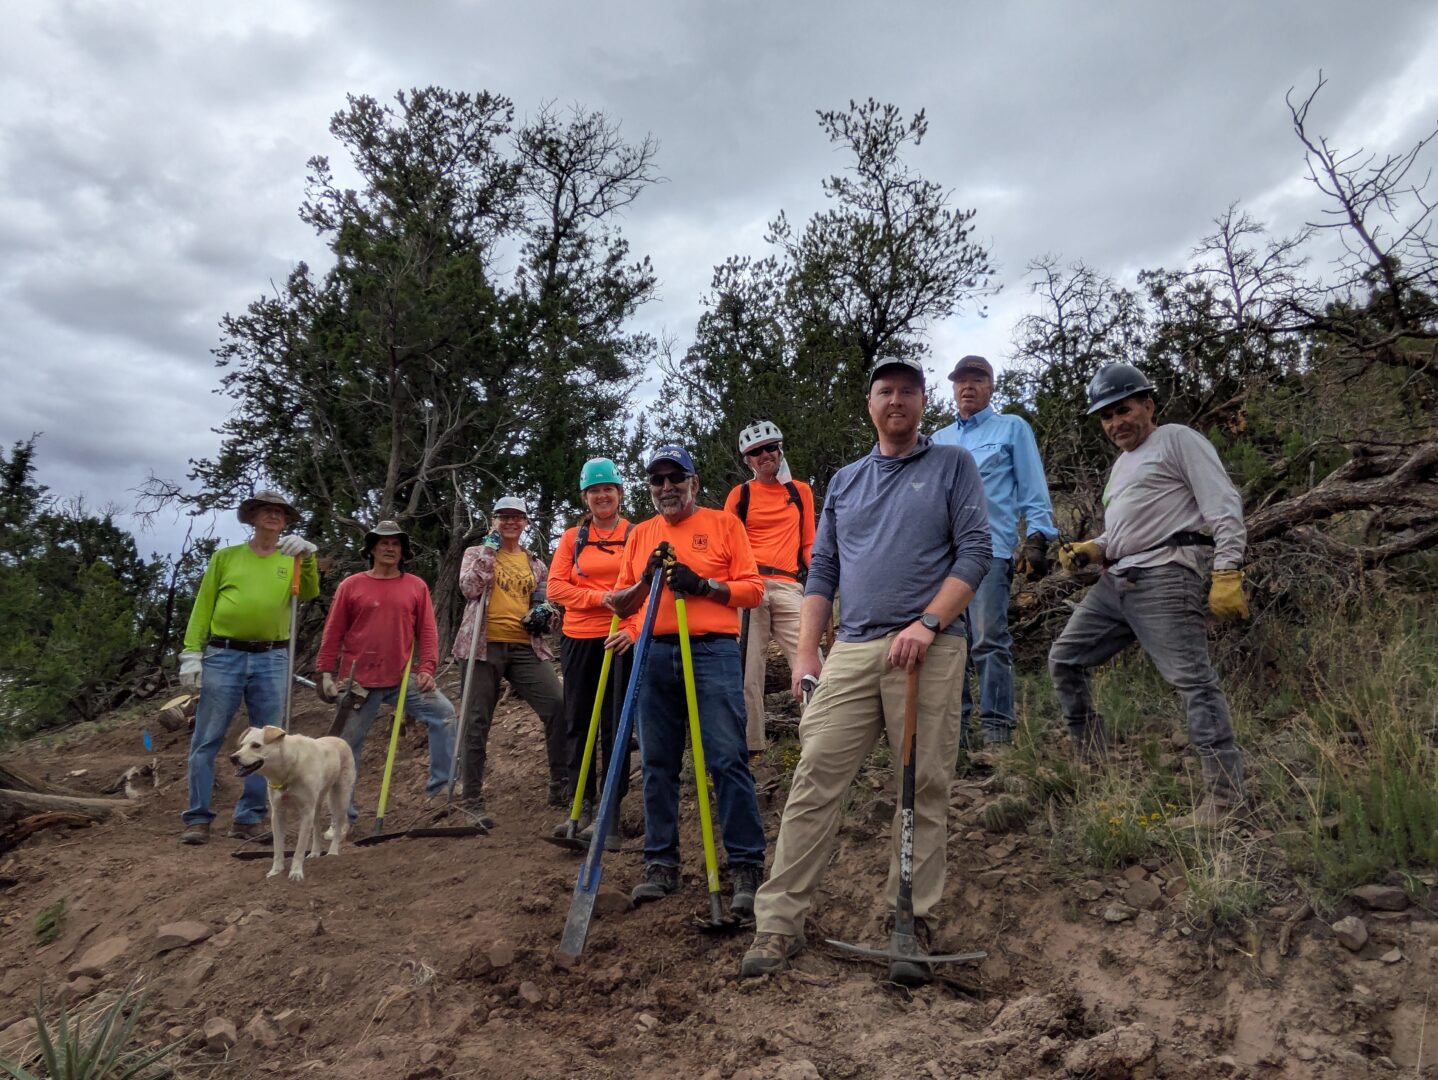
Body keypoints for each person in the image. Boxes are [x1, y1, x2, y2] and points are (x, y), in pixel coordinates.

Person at [741, 356, 992, 982]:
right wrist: (805, 652)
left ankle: (910, 919)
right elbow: (822, 570)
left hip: (930, 650)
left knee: (923, 785)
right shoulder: (847, 481)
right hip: (851, 650)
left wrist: (928, 622)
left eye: (909, 391)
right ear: (870, 403)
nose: (897, 400)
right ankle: (778, 923)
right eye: (886, 391)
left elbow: (977, 551)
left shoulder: (952, 466)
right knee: (815, 775)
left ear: (923, 403)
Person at [1049, 363, 1249, 829]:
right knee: (1065, 659)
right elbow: (1125, 532)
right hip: (1115, 582)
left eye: (1123, 410)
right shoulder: (1122, 465)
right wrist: (1094, 547)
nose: (1116, 422)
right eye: (1106, 416)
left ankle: (1224, 799)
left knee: (1193, 682)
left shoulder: (1178, 439)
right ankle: (1092, 760)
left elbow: (1223, 505)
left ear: (1148, 405)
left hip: (1165, 577)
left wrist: (1227, 569)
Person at [604, 445, 766, 913]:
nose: (667, 487)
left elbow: (753, 591)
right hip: (654, 654)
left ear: (694, 483)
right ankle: (660, 865)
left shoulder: (724, 525)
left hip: (712, 652)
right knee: (657, 764)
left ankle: (746, 867)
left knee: (727, 759)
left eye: (676, 478)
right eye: (657, 480)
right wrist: (645, 580)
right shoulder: (641, 535)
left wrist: (704, 586)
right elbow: (620, 603)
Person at [178, 490, 320, 845]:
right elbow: (204, 605)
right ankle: (197, 818)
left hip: (272, 656)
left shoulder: (293, 560)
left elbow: (309, 593)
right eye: (266, 511)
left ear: (286, 521)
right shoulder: (226, 558)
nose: (273, 516)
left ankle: (249, 818)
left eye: (280, 512)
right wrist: (191, 652)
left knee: (269, 742)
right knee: (207, 738)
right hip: (224, 654)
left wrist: (309, 557)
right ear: (253, 517)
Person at [931, 355, 1056, 749]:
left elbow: (1032, 486)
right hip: (940, 559)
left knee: (988, 640)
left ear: (991, 387)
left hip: (989, 550)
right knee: (949, 646)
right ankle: (958, 735)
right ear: (952, 388)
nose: (967, 386)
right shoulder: (937, 439)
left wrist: (1038, 536)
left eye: (977, 379)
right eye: (960, 380)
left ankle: (997, 731)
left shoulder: (1012, 428)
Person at [314, 521, 456, 829]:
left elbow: (428, 632)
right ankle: (343, 818)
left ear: (403, 551)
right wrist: (325, 672)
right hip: (358, 682)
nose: (390, 548)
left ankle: (442, 789)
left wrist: (428, 668)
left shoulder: (416, 586)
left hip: (403, 677)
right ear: (372, 549)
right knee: (345, 749)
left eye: (396, 544)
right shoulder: (351, 586)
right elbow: (333, 631)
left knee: (444, 713)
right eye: (383, 543)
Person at [450, 496, 563, 827]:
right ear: (493, 519)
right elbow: (469, 588)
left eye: (517, 517)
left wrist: (545, 614)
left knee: (558, 705)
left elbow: (548, 606)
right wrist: (488, 550)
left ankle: (561, 786)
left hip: (524, 647)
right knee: (476, 721)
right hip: (481, 647)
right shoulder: (476, 553)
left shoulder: (536, 564)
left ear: (526, 522)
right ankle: (471, 799)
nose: (511, 522)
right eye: (504, 516)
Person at [545, 459, 637, 849]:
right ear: (586, 496)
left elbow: (644, 590)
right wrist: (602, 597)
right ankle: (579, 801)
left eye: (609, 489)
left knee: (615, 726)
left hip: (620, 640)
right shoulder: (572, 538)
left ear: (619, 494)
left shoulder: (636, 534)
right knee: (578, 720)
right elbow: (555, 589)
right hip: (579, 639)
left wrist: (632, 629)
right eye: (595, 490)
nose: (602, 496)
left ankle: (609, 809)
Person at [724, 421, 815, 759]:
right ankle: (751, 747)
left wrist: (823, 574)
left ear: (779, 450)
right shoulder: (740, 495)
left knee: (811, 664)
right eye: (755, 452)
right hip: (750, 585)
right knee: (749, 670)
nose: (764, 455)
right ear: (748, 460)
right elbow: (726, 546)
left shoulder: (799, 492)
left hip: (790, 584)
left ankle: (818, 740)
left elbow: (809, 542)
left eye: (770, 448)